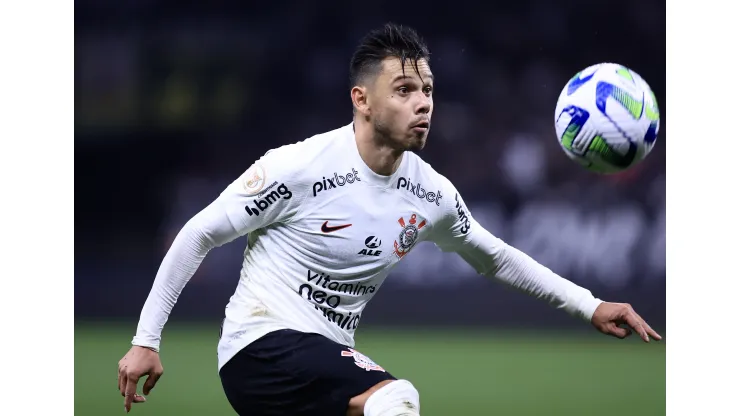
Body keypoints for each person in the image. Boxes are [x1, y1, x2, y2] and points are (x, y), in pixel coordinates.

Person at [117, 22, 661, 416]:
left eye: (427, 89)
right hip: (260, 347)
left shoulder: (429, 193)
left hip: (321, 363)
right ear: (362, 100)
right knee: (396, 399)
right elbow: (200, 233)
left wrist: (590, 305)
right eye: (404, 90)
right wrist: (147, 339)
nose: (423, 102)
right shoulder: (299, 167)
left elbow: (495, 257)